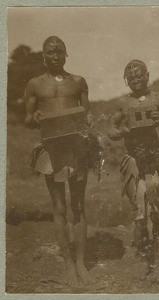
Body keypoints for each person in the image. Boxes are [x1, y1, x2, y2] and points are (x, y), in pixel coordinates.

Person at [25, 36, 95, 287]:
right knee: (60, 208)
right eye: (50, 52)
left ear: (67, 54)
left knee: (78, 207)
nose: (55, 55)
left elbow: (87, 114)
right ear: (43, 56)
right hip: (51, 149)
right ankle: (67, 264)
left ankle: (80, 263)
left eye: (59, 51)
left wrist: (88, 122)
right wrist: (36, 116)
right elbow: (28, 119)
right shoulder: (34, 84)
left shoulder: (78, 82)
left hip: (76, 148)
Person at [108, 60, 159, 282]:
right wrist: (121, 131)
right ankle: (143, 259)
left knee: (157, 212)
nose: (136, 80)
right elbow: (111, 129)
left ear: (148, 75)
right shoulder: (123, 103)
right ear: (126, 80)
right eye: (131, 78)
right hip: (134, 161)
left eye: (139, 76)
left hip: (157, 158)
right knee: (139, 213)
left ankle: (158, 264)